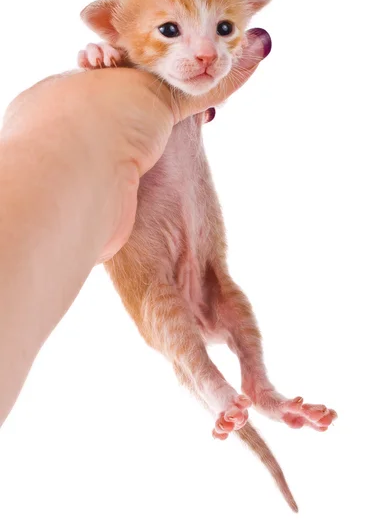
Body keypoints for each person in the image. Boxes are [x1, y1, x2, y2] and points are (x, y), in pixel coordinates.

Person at [0, 29, 269, 427]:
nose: (202, 51)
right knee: (167, 314)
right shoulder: (127, 67)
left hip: (181, 246)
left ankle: (263, 392)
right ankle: (219, 391)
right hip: (140, 256)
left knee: (229, 304)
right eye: (171, 30)